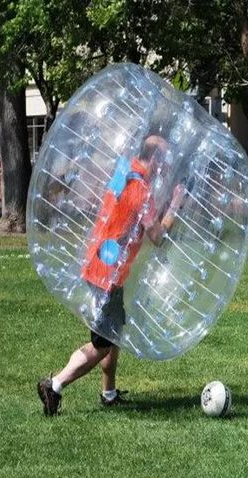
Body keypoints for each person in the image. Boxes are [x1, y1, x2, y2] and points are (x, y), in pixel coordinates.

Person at [37, 135, 184, 416]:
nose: (165, 165)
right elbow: (156, 236)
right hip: (107, 275)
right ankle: (54, 385)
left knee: (112, 332)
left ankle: (109, 392)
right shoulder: (141, 190)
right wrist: (176, 203)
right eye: (163, 159)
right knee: (102, 344)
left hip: (98, 263)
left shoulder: (122, 171)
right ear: (152, 158)